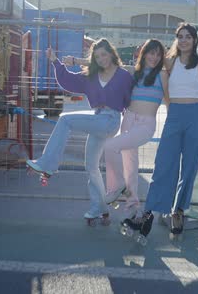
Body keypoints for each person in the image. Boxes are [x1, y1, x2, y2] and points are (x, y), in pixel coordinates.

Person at [26, 38, 133, 224]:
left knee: (65, 120)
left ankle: (47, 164)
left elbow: (133, 98)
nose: (101, 59)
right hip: (97, 118)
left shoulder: (123, 75)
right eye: (97, 56)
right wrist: (54, 61)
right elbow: (68, 81)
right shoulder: (91, 76)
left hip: (111, 120)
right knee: (91, 167)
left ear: (111, 54)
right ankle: (99, 208)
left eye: (104, 54)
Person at [123, 23, 198, 238]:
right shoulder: (169, 63)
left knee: (189, 167)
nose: (184, 40)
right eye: (180, 36)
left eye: (188, 37)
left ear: (195, 40)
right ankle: (147, 214)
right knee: (163, 165)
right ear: (176, 40)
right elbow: (146, 63)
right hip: (174, 116)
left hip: (196, 116)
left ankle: (178, 211)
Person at [101, 39, 167, 218]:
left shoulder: (163, 75)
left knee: (110, 146)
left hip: (146, 124)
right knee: (130, 165)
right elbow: (109, 65)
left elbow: (169, 101)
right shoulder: (134, 72)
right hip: (128, 119)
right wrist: (75, 62)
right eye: (151, 52)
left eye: (158, 54)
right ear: (143, 53)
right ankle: (132, 207)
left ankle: (116, 187)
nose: (154, 57)